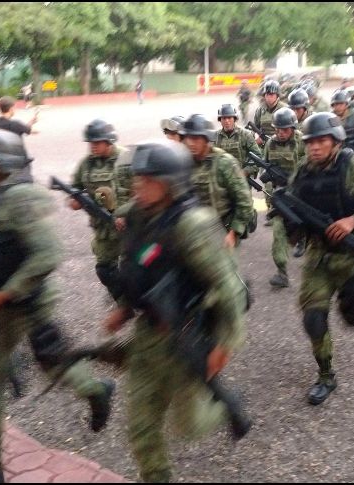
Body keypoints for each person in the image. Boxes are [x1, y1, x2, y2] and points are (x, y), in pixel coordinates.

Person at [0, 129, 115, 482]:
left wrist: (6, 292)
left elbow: (48, 254)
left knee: (43, 365)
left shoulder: (20, 198)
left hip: (25, 300)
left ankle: (95, 389)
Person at [103, 139, 248, 483]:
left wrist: (225, 344)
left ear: (171, 183)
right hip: (149, 333)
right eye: (137, 178)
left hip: (189, 331)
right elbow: (139, 269)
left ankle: (228, 403)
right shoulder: (139, 216)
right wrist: (124, 308)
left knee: (190, 426)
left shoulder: (192, 224)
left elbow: (229, 287)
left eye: (148, 179)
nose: (139, 185)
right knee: (140, 424)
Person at [283, 112, 354, 405]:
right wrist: (290, 224)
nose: (314, 148)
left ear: (336, 141)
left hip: (350, 257)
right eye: (310, 142)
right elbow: (291, 207)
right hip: (318, 257)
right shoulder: (303, 171)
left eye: (321, 141)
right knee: (313, 319)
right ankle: (326, 376)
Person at [70, 120, 132, 300]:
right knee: (104, 270)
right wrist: (74, 201)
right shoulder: (86, 164)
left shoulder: (126, 158)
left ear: (109, 141)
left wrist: (127, 215)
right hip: (103, 228)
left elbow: (141, 191)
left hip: (129, 224)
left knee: (140, 265)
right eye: (90, 143)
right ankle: (124, 300)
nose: (93, 147)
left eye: (97, 143)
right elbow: (75, 188)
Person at [179, 114, 254, 249]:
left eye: (195, 138)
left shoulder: (224, 163)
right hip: (195, 231)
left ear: (207, 139)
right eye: (187, 138)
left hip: (222, 230)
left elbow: (245, 201)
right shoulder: (184, 162)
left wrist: (233, 233)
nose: (190, 143)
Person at [263, 107, 306, 288]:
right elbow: (266, 167)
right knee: (279, 232)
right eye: (277, 129)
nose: (280, 133)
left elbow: (311, 168)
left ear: (293, 129)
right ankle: (282, 272)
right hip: (282, 196)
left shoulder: (302, 142)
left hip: (303, 196)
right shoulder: (270, 144)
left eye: (285, 130)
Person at [0, 96, 39, 181]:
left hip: (3, 160)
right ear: (11, 109)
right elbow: (32, 131)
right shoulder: (15, 124)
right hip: (19, 160)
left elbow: (22, 128)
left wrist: (31, 122)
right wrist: (34, 123)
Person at [214, 104, 262, 178]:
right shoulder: (215, 136)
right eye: (224, 118)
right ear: (220, 120)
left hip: (242, 180)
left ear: (235, 119)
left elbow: (258, 158)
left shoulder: (245, 134)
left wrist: (245, 171)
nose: (227, 121)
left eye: (229, 118)